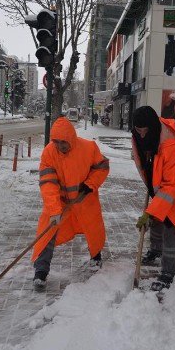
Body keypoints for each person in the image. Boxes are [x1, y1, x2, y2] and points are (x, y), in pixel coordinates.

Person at [131, 105, 175, 292]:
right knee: (158, 214)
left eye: (143, 131)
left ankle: (169, 270)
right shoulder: (148, 132)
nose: (140, 135)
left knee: (171, 223)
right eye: (137, 131)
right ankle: (155, 249)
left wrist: (150, 212)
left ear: (152, 128)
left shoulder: (172, 146)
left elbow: (172, 185)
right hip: (164, 179)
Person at [32, 117, 110, 288]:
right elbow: (48, 183)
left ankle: (96, 256)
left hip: (84, 200)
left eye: (63, 142)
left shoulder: (88, 148)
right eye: (56, 142)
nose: (60, 146)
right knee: (46, 232)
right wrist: (54, 210)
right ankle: (41, 271)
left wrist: (90, 186)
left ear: (71, 138)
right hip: (60, 202)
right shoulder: (49, 153)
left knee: (93, 230)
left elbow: (102, 167)